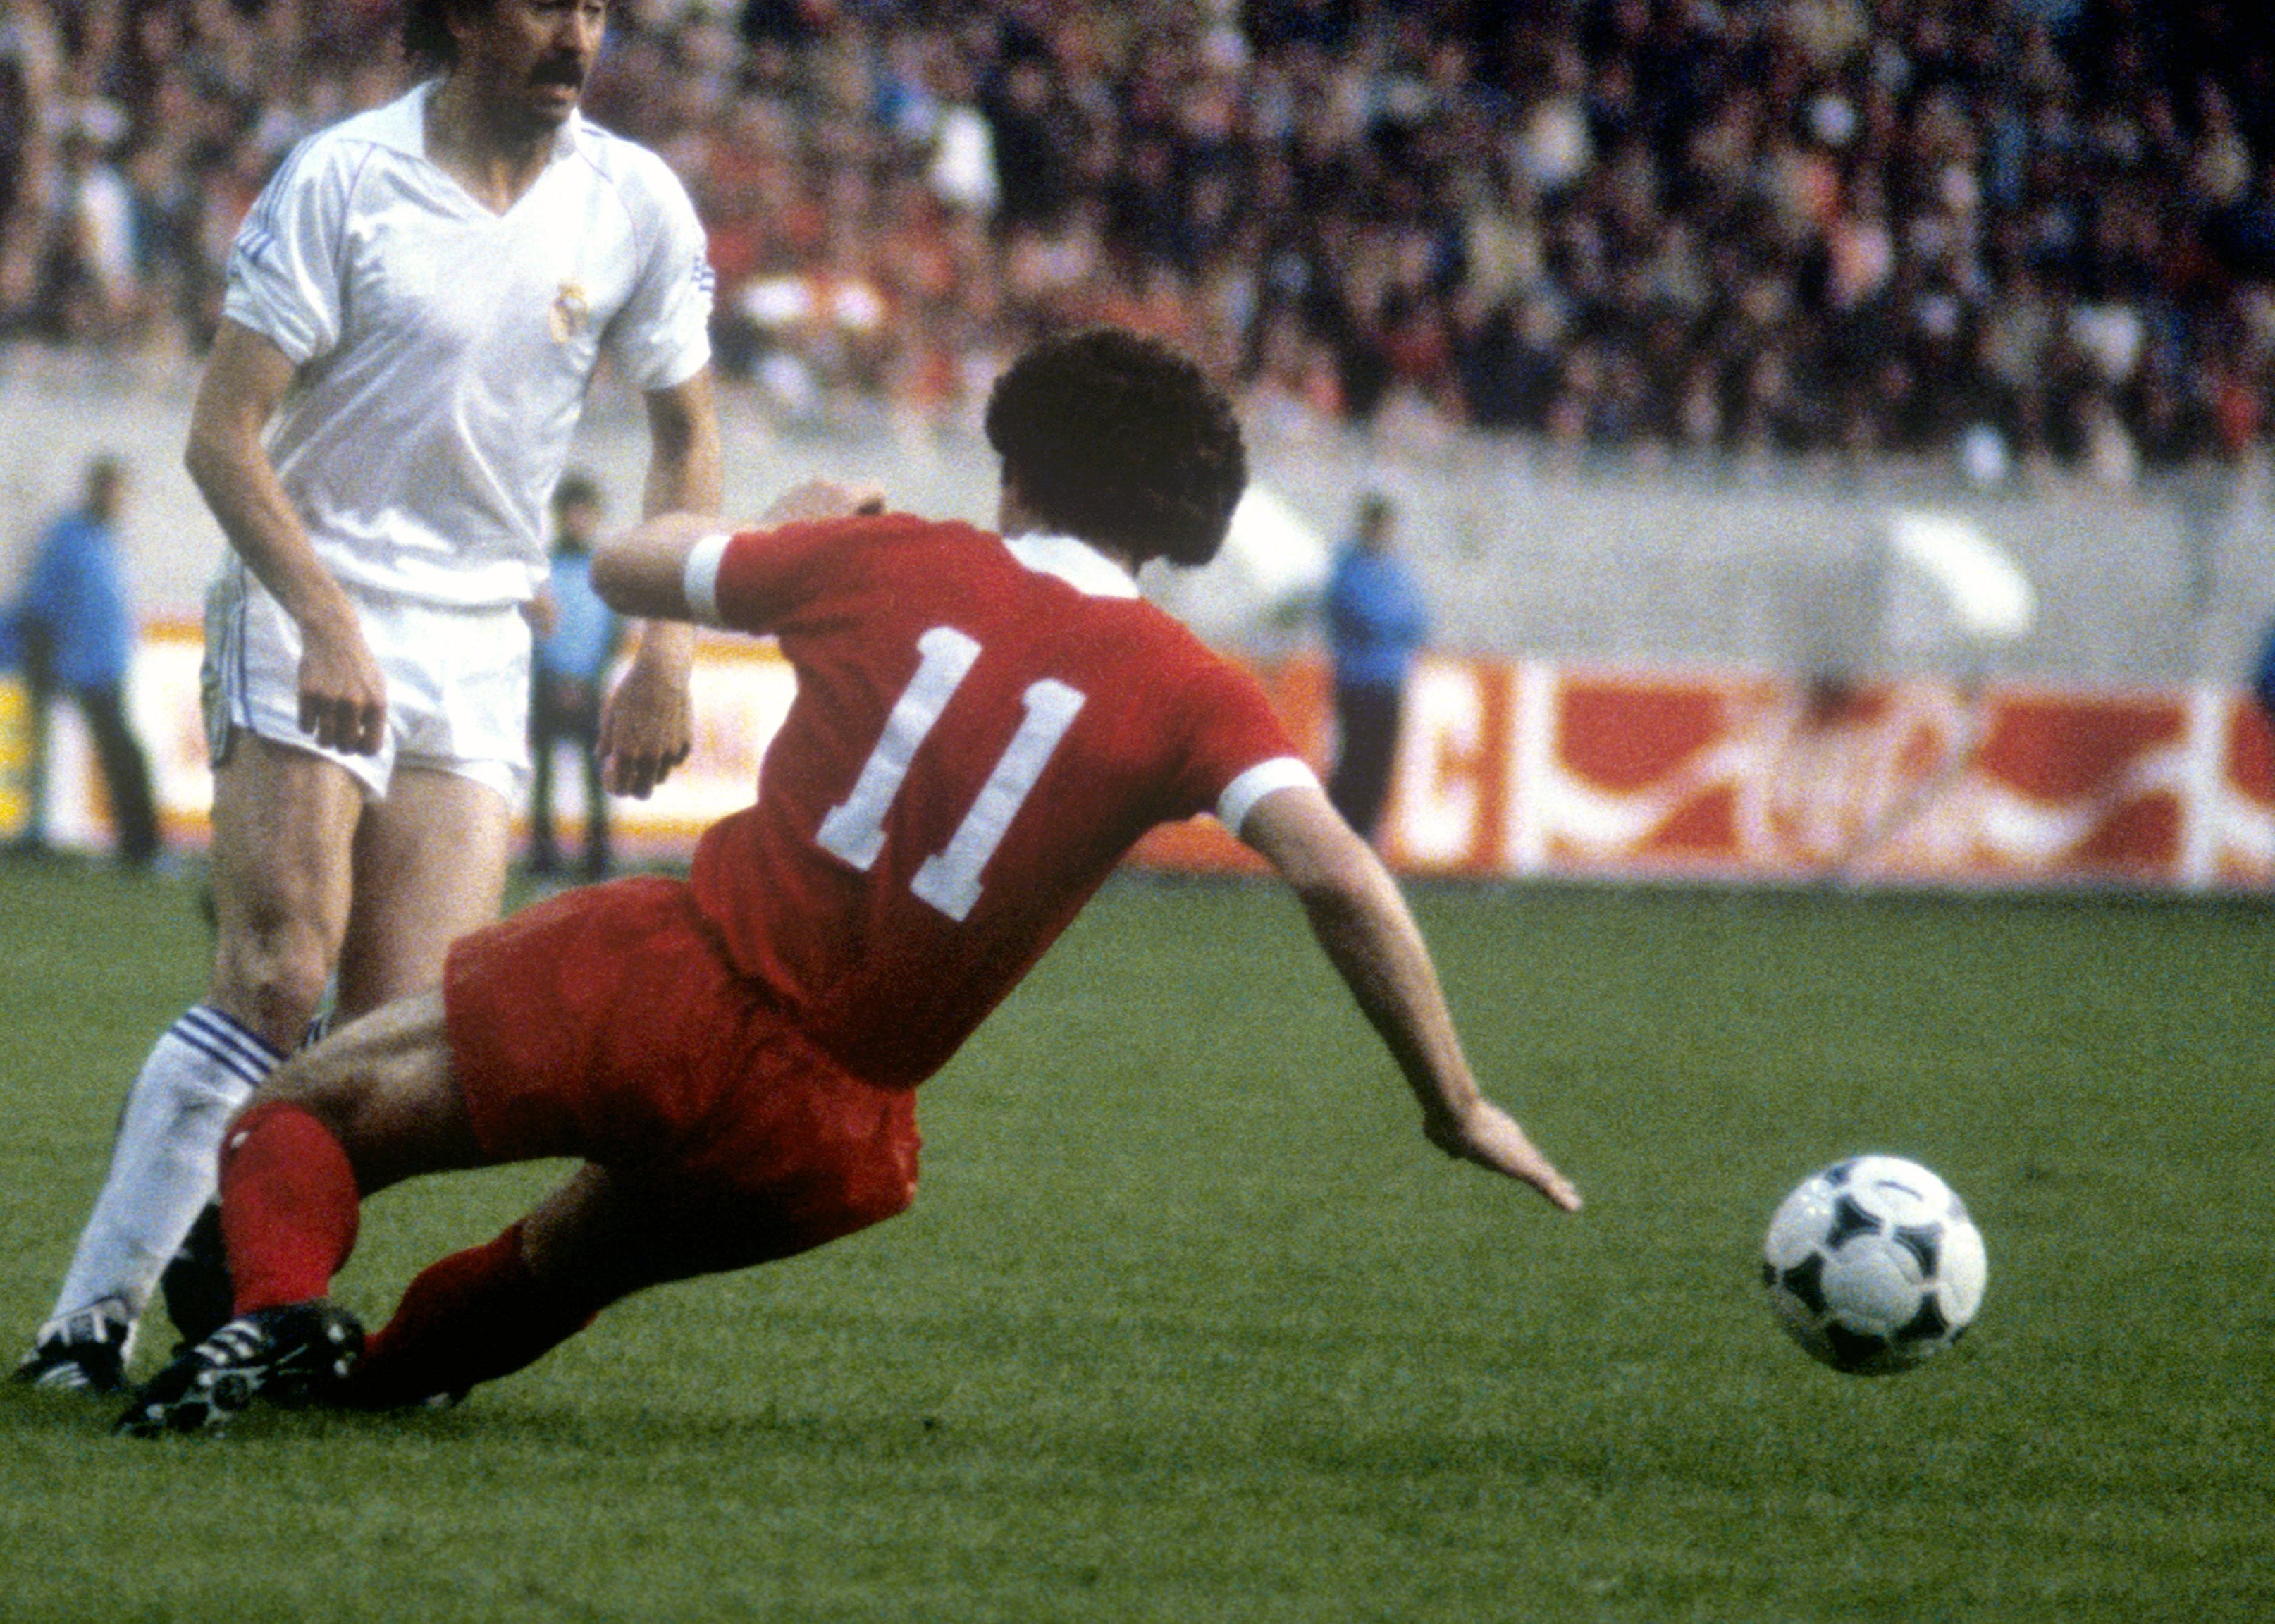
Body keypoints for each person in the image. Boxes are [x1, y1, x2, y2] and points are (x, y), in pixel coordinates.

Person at [111, 327, 1579, 1438]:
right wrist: (1453, 1102)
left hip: (679, 980)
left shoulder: (893, 559)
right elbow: (1337, 879)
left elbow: (627, 565)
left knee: (299, 1110)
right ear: (1182, 522)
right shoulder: (1198, 695)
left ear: (1013, 470)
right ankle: (352, 1393)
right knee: (561, 1262)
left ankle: (275, 1319)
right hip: (835, 1129)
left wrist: (797, 516)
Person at [18, 0, 723, 1392]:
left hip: (480, 627)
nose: (577, 36)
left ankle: (242, 1267)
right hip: (308, 590)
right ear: (463, 10)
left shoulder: (634, 203)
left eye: (598, 5)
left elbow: (684, 436)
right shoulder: (341, 178)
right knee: (276, 973)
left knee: (397, 1043)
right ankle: (84, 1327)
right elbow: (223, 439)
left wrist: (662, 647)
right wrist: (326, 620)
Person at [16, 456, 162, 869]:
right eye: (112, 490)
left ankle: (139, 844)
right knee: (76, 752)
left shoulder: (108, 539)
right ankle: (46, 836)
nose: (118, 500)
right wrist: (41, 656)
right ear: (96, 490)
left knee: (120, 753)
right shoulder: (69, 536)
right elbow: (42, 599)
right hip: (73, 663)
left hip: (105, 665)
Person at [527, 472, 627, 880]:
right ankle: (544, 864)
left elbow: (612, 633)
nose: (578, 520)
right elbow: (533, 626)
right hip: (547, 688)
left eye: (586, 513)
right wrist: (551, 679)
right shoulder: (542, 565)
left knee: (596, 780)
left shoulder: (605, 569)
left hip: (590, 689)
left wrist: (591, 681)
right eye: (571, 512)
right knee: (544, 780)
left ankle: (598, 863)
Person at [1319, 494, 1428, 845]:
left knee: (1380, 766)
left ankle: (1365, 838)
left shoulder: (1395, 570)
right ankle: (1337, 840)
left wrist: (1392, 622)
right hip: (1358, 679)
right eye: (1378, 524)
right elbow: (1368, 617)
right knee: (1355, 762)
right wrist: (1394, 622)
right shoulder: (1349, 568)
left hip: (1390, 679)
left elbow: (1420, 622)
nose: (1383, 532)